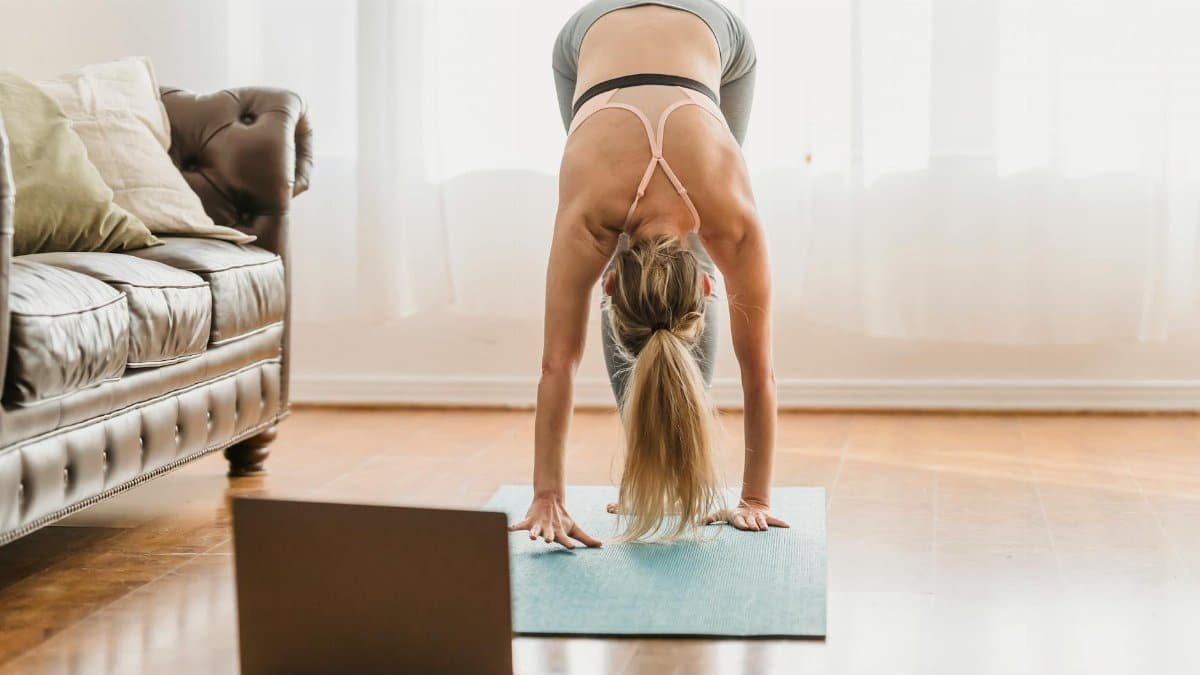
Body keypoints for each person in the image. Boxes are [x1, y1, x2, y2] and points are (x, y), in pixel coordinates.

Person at [508, 0, 787, 548]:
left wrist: (548, 496)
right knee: (649, 241)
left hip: (700, 38)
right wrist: (756, 499)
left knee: (651, 241)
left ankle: (676, 467)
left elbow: (554, 365)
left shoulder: (592, 221)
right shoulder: (729, 221)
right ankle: (654, 468)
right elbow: (761, 371)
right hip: (598, 42)